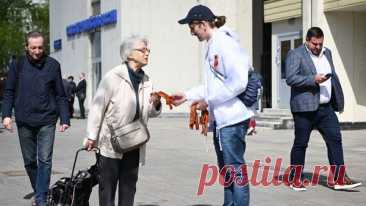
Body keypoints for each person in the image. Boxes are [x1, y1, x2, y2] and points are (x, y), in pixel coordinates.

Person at [173, 5, 253, 206]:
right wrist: (187, 96)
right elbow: (212, 85)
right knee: (227, 172)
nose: (191, 32)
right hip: (222, 121)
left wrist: (208, 100)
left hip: (233, 120)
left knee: (235, 172)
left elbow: (239, 82)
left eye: (192, 27)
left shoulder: (225, 43)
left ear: (202, 24)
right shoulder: (212, 44)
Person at [84, 34, 162, 206]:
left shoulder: (146, 80)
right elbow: (97, 107)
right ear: (129, 54)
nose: (147, 53)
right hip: (110, 142)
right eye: (143, 50)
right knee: (107, 186)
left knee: (129, 187)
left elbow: (150, 112)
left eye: (148, 50)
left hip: (134, 140)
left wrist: (155, 104)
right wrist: (91, 136)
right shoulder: (113, 77)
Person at [285, 27, 361, 191]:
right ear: (307, 40)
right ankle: (295, 178)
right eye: (314, 44)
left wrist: (338, 100)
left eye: (320, 43)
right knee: (301, 144)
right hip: (304, 109)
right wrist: (313, 79)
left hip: (326, 108)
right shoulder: (296, 54)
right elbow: (291, 78)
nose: (318, 47)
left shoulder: (327, 53)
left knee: (335, 140)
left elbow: (332, 76)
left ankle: (339, 179)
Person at [1, 31, 70, 206]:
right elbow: (8, 91)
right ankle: (41, 190)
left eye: (40, 47)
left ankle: (41, 198)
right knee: (30, 161)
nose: (37, 51)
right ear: (26, 47)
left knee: (45, 160)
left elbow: (61, 95)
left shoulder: (53, 65)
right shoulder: (18, 65)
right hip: (24, 120)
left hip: (47, 119)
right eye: (33, 48)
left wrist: (64, 118)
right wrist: (7, 115)